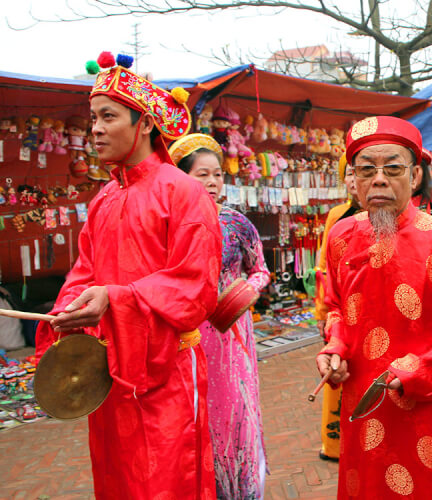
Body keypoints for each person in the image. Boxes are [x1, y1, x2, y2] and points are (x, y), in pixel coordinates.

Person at [36, 54, 220, 498]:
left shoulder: (185, 192)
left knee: (167, 479)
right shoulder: (101, 201)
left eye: (108, 116)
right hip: (111, 370)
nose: (94, 129)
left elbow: (195, 287)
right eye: (92, 118)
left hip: (167, 372)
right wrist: (69, 310)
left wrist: (115, 298)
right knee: (118, 478)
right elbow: (84, 273)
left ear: (145, 124)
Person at [315, 116, 432, 499]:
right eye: (366, 169)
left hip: (424, 403)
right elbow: (336, 309)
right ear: (354, 179)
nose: (378, 179)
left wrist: (421, 369)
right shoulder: (340, 236)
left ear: (414, 176)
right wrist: (335, 349)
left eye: (392, 168)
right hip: (362, 398)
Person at [169, 134, 270, 499]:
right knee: (195, 415)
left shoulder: (238, 224)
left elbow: (260, 269)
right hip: (187, 336)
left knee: (234, 409)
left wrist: (247, 290)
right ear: (181, 179)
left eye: (217, 175)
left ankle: (242, 487)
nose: (212, 182)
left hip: (231, 334)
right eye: (202, 175)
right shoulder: (170, 227)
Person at [314, 154, 362, 462]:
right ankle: (334, 445)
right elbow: (323, 267)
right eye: (350, 174)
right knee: (336, 375)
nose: (356, 180)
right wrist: (322, 313)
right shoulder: (336, 216)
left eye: (362, 173)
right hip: (340, 312)